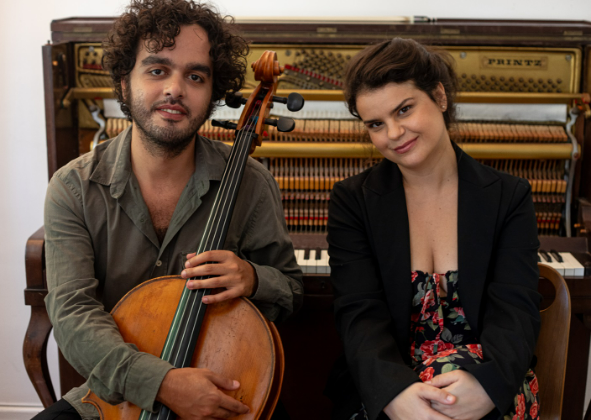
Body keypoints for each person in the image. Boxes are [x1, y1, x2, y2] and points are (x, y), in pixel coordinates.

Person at [34, 1, 303, 419]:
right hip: (115, 396)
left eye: (195, 76)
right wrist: (161, 383)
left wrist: (253, 278)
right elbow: (72, 312)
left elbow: (291, 289)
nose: (175, 89)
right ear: (124, 83)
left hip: (224, 387)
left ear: (213, 93)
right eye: (157, 70)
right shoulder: (73, 187)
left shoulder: (250, 182)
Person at [325, 38, 541, 420]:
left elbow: (516, 311)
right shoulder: (352, 201)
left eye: (404, 109)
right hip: (388, 380)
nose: (393, 134)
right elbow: (360, 315)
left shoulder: (508, 196)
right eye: (376, 124)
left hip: (486, 380)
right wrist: (395, 393)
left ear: (439, 96)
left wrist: (485, 387)